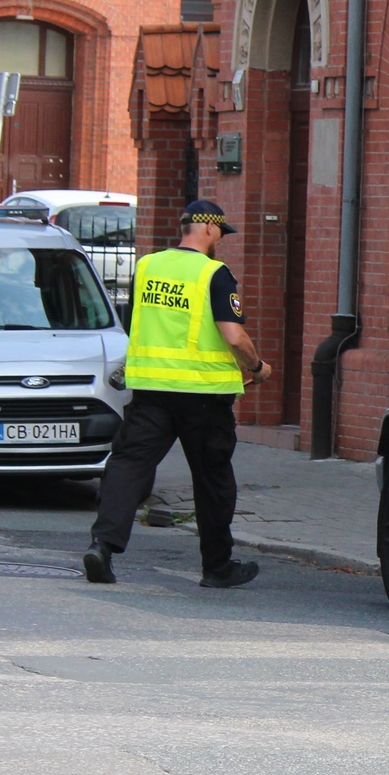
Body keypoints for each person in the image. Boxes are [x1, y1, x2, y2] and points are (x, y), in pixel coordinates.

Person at [84, 201, 271, 589]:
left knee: (128, 466)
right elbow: (233, 335)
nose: (221, 239)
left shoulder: (148, 267)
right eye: (221, 231)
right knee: (212, 480)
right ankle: (217, 568)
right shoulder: (214, 274)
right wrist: (256, 368)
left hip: (152, 390)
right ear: (206, 228)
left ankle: (102, 546)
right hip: (203, 394)